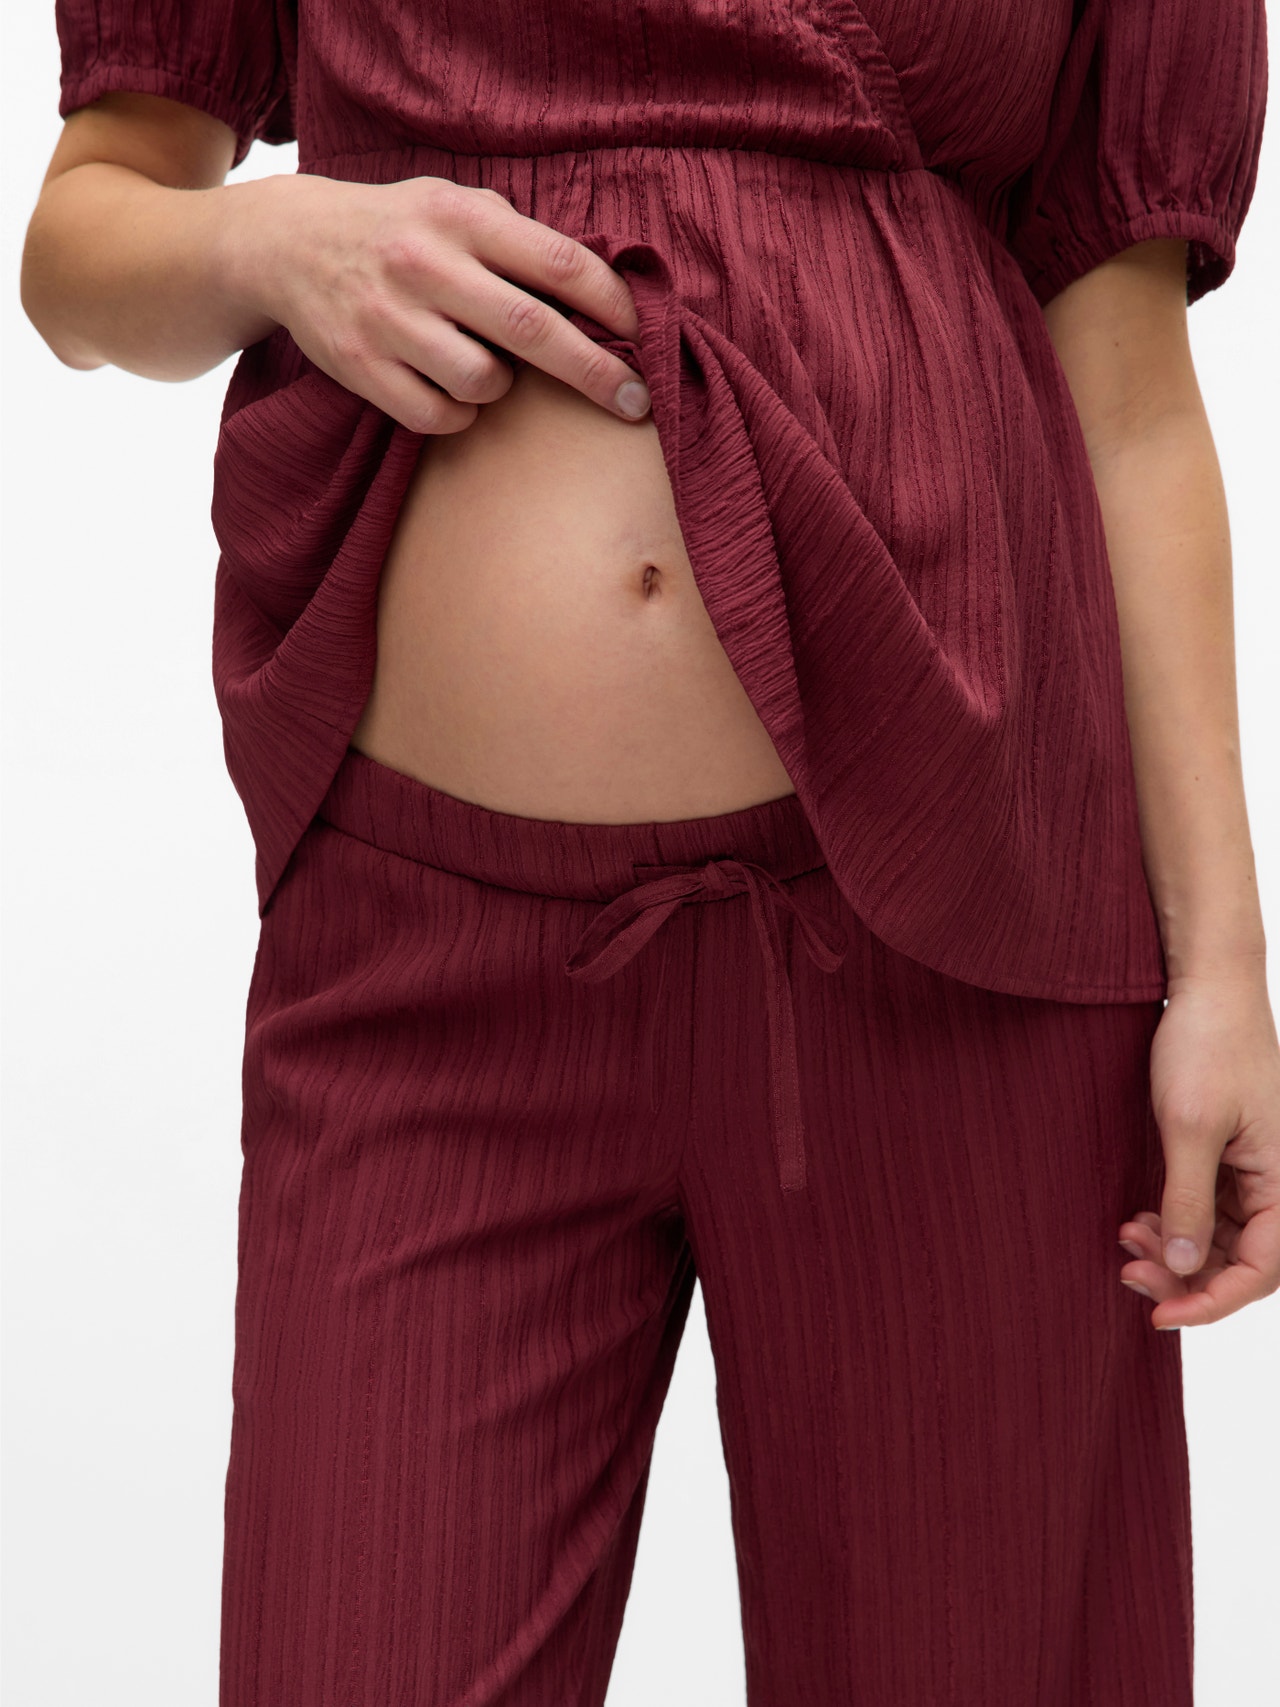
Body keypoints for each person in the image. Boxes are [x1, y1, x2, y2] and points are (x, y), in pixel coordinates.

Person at [21, 0, 1278, 1701]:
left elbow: (1127, 399)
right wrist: (274, 241)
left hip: (963, 937)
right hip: (428, 974)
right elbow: (83, 241)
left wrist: (1223, 971)